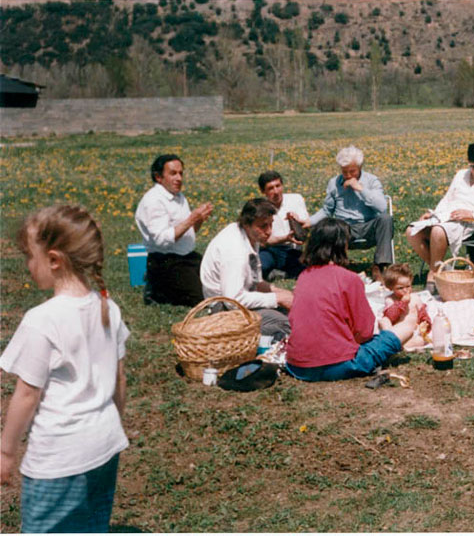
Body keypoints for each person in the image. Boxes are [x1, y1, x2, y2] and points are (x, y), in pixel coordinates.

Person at [0, 205, 129, 533]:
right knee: (91, 525)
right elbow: (119, 379)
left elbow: (27, 395)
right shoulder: (108, 307)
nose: (28, 265)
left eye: (30, 256)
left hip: (59, 459)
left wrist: (5, 453)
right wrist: (114, 423)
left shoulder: (41, 320)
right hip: (106, 445)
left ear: (54, 259)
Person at [285, 218, 417, 382]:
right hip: (338, 365)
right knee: (406, 327)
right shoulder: (349, 279)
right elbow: (365, 332)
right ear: (343, 245)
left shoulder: (303, 277)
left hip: (297, 365)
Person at [406, 142, 474, 290]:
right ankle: (442, 271)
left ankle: (433, 273)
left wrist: (471, 213)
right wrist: (434, 214)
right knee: (411, 231)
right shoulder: (461, 175)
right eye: (473, 166)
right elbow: (447, 198)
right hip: (446, 216)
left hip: (470, 221)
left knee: (438, 230)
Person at [200, 199, 292, 338]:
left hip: (240, 298)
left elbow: (255, 281)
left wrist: (282, 292)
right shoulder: (235, 251)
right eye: (263, 226)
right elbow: (233, 301)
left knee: (290, 311)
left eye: (270, 224)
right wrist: (276, 298)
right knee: (287, 324)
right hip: (224, 310)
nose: (269, 231)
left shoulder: (249, 237)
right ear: (246, 224)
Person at [134, 154, 213, 306]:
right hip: (165, 260)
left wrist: (198, 220)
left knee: (215, 281)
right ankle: (157, 289)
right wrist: (191, 219)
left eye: (181, 173)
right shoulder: (154, 201)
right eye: (173, 173)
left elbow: (187, 233)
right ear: (158, 177)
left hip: (185, 256)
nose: (179, 178)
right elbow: (162, 240)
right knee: (200, 298)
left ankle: (164, 287)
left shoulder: (179, 197)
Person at [309, 145, 393, 281]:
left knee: (385, 219)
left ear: (360, 167)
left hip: (368, 225)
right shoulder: (334, 183)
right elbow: (326, 210)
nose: (348, 175)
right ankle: (336, 266)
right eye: (344, 172)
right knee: (331, 226)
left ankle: (380, 266)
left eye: (352, 171)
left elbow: (382, 207)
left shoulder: (372, 181)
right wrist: (309, 221)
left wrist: (360, 188)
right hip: (344, 228)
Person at [257, 170, 308, 281]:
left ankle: (280, 273)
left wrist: (297, 222)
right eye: (270, 188)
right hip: (270, 249)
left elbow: (306, 227)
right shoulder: (260, 208)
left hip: (292, 251)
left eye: (278, 186)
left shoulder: (296, 199)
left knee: (309, 269)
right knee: (259, 267)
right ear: (263, 191)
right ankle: (277, 271)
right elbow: (262, 242)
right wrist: (285, 238)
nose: (276, 191)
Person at [382, 263, 433, 350]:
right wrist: (402, 303)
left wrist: (425, 323)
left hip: (413, 332)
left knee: (421, 340)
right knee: (384, 321)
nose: (405, 290)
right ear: (391, 287)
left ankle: (400, 347)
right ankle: (391, 343)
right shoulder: (390, 299)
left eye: (408, 286)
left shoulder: (415, 298)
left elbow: (422, 313)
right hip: (397, 332)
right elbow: (391, 317)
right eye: (400, 288)